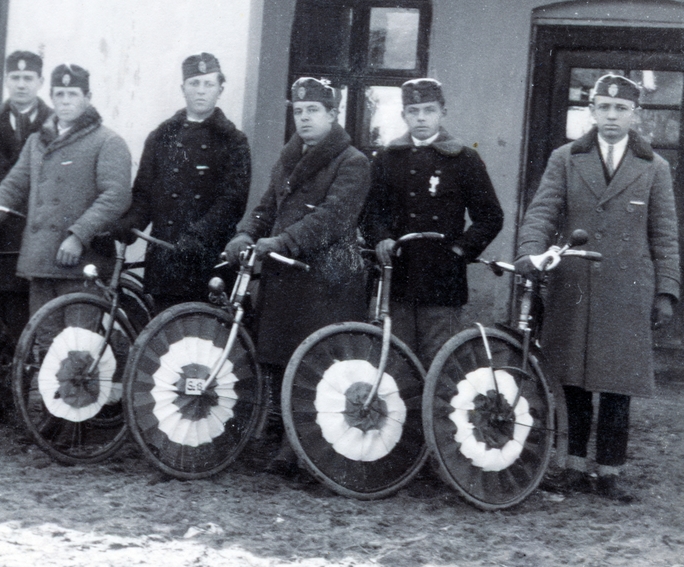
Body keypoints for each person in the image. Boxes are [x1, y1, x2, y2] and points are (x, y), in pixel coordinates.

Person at [516, 73, 680, 503]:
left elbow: (664, 233)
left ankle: (608, 472)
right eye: (603, 108)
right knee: (571, 380)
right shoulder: (566, 159)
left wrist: (666, 291)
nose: (611, 116)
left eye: (620, 109)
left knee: (617, 385)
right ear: (591, 110)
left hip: (628, 289)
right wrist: (531, 254)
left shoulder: (655, 168)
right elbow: (542, 212)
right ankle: (571, 467)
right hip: (575, 283)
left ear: (635, 115)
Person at [224, 77, 370, 479]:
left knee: (314, 366)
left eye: (314, 111)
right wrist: (245, 234)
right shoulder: (287, 159)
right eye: (299, 111)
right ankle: (283, 438)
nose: (304, 118)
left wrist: (282, 241)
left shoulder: (352, 162)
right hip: (286, 273)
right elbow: (267, 205)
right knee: (280, 359)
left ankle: (300, 448)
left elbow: (332, 218)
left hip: (327, 279)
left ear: (332, 115)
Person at [362, 77, 503, 364]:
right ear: (404, 115)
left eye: (429, 110)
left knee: (440, 363)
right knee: (397, 363)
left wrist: (460, 250)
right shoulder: (387, 159)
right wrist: (381, 238)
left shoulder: (464, 159)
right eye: (413, 111)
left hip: (442, 279)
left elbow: (490, 216)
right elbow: (369, 212)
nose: (421, 118)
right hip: (398, 275)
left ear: (442, 113)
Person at [0, 63, 132, 316]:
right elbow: (12, 187)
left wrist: (78, 235)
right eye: (59, 94)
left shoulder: (107, 141)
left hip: (82, 264)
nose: (65, 101)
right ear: (52, 97)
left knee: (77, 348)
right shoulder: (37, 141)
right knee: (45, 345)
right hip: (41, 260)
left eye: (73, 94)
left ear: (88, 99)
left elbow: (116, 197)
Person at [115, 52, 251, 305]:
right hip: (165, 258)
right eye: (194, 83)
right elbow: (144, 194)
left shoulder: (233, 141)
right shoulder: (160, 137)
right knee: (163, 336)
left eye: (208, 84)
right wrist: (131, 222)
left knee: (203, 338)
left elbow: (233, 202)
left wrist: (198, 235)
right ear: (183, 88)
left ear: (220, 89)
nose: (201, 91)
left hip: (207, 259)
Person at [0, 50, 52, 336]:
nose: (21, 85)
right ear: (6, 80)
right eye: (15, 77)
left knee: (29, 318)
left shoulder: (54, 123)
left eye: (28, 78)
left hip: (35, 234)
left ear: (40, 81)